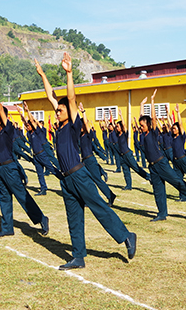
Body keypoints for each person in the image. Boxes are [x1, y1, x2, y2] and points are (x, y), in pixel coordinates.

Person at [33, 53, 135, 270]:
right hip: (66, 180)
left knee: (98, 207)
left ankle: (126, 236)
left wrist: (69, 73)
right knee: (74, 218)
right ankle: (78, 256)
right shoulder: (59, 127)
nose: (57, 112)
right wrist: (42, 75)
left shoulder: (72, 125)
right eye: (57, 110)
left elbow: (69, 100)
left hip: (79, 174)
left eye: (60, 111)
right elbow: (52, 97)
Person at [0, 79, 49, 238]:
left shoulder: (8, 127)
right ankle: (7, 228)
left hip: (10, 168)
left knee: (21, 195)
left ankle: (41, 218)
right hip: (1, 168)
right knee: (4, 198)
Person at [139, 90, 186, 221]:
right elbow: (143, 117)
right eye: (140, 126)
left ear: (148, 125)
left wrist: (152, 101)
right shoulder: (143, 134)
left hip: (161, 163)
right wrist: (141, 105)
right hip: (152, 167)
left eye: (142, 126)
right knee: (158, 191)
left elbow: (151, 118)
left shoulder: (152, 132)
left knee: (177, 182)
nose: (140, 128)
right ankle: (162, 214)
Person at [77, 102, 116, 207]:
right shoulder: (80, 136)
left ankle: (110, 195)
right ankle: (89, 200)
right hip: (84, 161)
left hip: (90, 160)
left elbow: (85, 122)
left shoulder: (89, 134)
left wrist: (83, 112)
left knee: (97, 180)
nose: (80, 127)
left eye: (81, 126)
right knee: (86, 181)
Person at [116, 108, 150, 190]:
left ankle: (149, 177)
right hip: (122, 156)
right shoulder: (118, 135)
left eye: (118, 126)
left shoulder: (125, 134)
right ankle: (128, 186)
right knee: (125, 171)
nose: (116, 128)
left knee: (136, 168)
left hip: (128, 154)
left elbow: (124, 125)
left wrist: (121, 116)